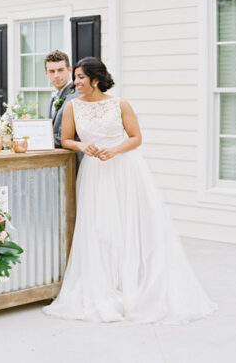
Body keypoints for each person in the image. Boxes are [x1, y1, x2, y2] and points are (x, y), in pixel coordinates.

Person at [43, 57, 217, 324]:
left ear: (95, 79)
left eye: (80, 77)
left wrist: (114, 150)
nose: (75, 81)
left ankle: (135, 284)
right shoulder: (72, 107)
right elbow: (65, 139)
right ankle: (106, 285)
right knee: (100, 228)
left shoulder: (119, 104)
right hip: (94, 172)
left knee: (131, 224)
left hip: (125, 169)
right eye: (75, 76)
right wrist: (82, 147)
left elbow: (136, 137)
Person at [44, 50, 81, 162]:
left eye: (60, 70)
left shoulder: (76, 95)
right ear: (46, 73)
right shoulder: (54, 96)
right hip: (58, 160)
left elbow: (67, 136)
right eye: (51, 71)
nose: (56, 75)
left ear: (69, 69)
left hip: (75, 160)